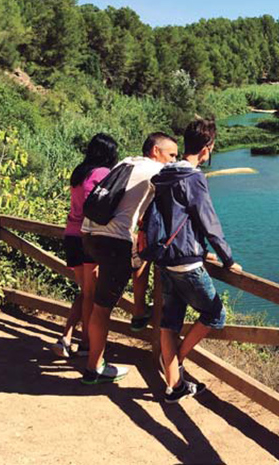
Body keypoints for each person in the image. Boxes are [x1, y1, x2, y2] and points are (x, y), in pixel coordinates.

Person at [149, 118, 242, 403]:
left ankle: (174, 386)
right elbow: (208, 222)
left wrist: (202, 250)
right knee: (216, 315)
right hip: (187, 264)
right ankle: (175, 363)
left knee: (170, 322)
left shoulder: (164, 174)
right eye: (211, 149)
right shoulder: (193, 178)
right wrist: (228, 260)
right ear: (207, 148)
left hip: (165, 259)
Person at [80, 132, 179, 385]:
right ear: (156, 151)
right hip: (113, 242)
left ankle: (137, 312)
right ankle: (95, 368)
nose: (172, 161)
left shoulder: (126, 161)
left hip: (89, 235)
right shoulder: (157, 170)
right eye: (171, 155)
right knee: (103, 308)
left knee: (102, 297)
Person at [49, 133, 118, 358]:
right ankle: (86, 345)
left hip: (71, 235)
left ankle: (67, 337)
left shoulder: (79, 172)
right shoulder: (101, 173)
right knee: (90, 293)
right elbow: (95, 203)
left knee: (85, 291)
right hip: (88, 237)